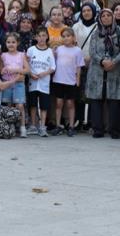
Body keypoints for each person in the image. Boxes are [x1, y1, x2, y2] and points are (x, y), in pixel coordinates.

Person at [86, 9, 120, 139]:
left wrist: (114, 62)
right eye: (103, 16)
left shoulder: (118, 32)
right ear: (100, 18)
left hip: (115, 70)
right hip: (97, 71)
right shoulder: (95, 34)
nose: (106, 18)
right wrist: (102, 61)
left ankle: (115, 130)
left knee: (114, 101)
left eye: (108, 15)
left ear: (113, 17)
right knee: (96, 100)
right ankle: (97, 130)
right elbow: (92, 51)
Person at [50, 28, 85, 136]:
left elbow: (79, 66)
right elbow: (53, 62)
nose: (66, 38)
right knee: (59, 103)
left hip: (71, 81)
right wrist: (53, 53)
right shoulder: (59, 49)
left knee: (70, 104)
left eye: (68, 36)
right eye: (64, 36)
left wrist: (78, 79)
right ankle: (58, 125)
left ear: (73, 37)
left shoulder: (77, 50)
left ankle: (71, 126)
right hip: (58, 80)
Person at [26, 26, 55, 137]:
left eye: (44, 35)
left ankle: (42, 127)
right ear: (35, 37)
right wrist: (30, 74)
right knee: (33, 105)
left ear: (47, 37)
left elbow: (53, 67)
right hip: (32, 82)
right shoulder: (31, 50)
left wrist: (44, 73)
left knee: (44, 106)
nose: (41, 38)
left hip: (44, 83)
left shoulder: (50, 51)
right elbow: (27, 64)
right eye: (39, 36)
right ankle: (33, 125)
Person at [0, 32, 30, 137]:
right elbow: (0, 69)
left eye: (13, 42)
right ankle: (10, 125)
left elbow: (27, 70)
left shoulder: (22, 55)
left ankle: (22, 127)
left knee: (20, 105)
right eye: (8, 42)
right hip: (7, 83)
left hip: (19, 84)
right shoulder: (3, 56)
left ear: (18, 43)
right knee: (8, 105)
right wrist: (3, 70)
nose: (11, 44)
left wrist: (16, 69)